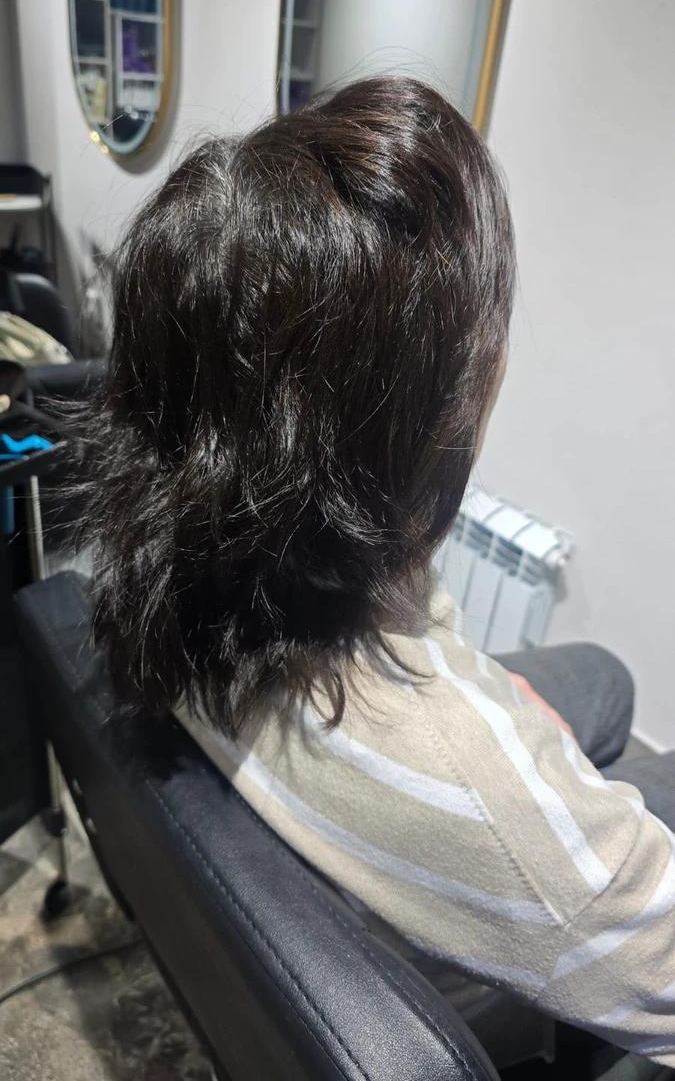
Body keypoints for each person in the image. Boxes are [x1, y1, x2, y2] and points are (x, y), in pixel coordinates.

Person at [76, 77, 675, 1076]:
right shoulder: (539, 847)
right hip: (500, 828)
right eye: (484, 344)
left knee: (603, 682)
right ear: (437, 407)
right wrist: (510, 766)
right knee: (659, 782)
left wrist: (488, 702)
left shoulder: (177, 561)